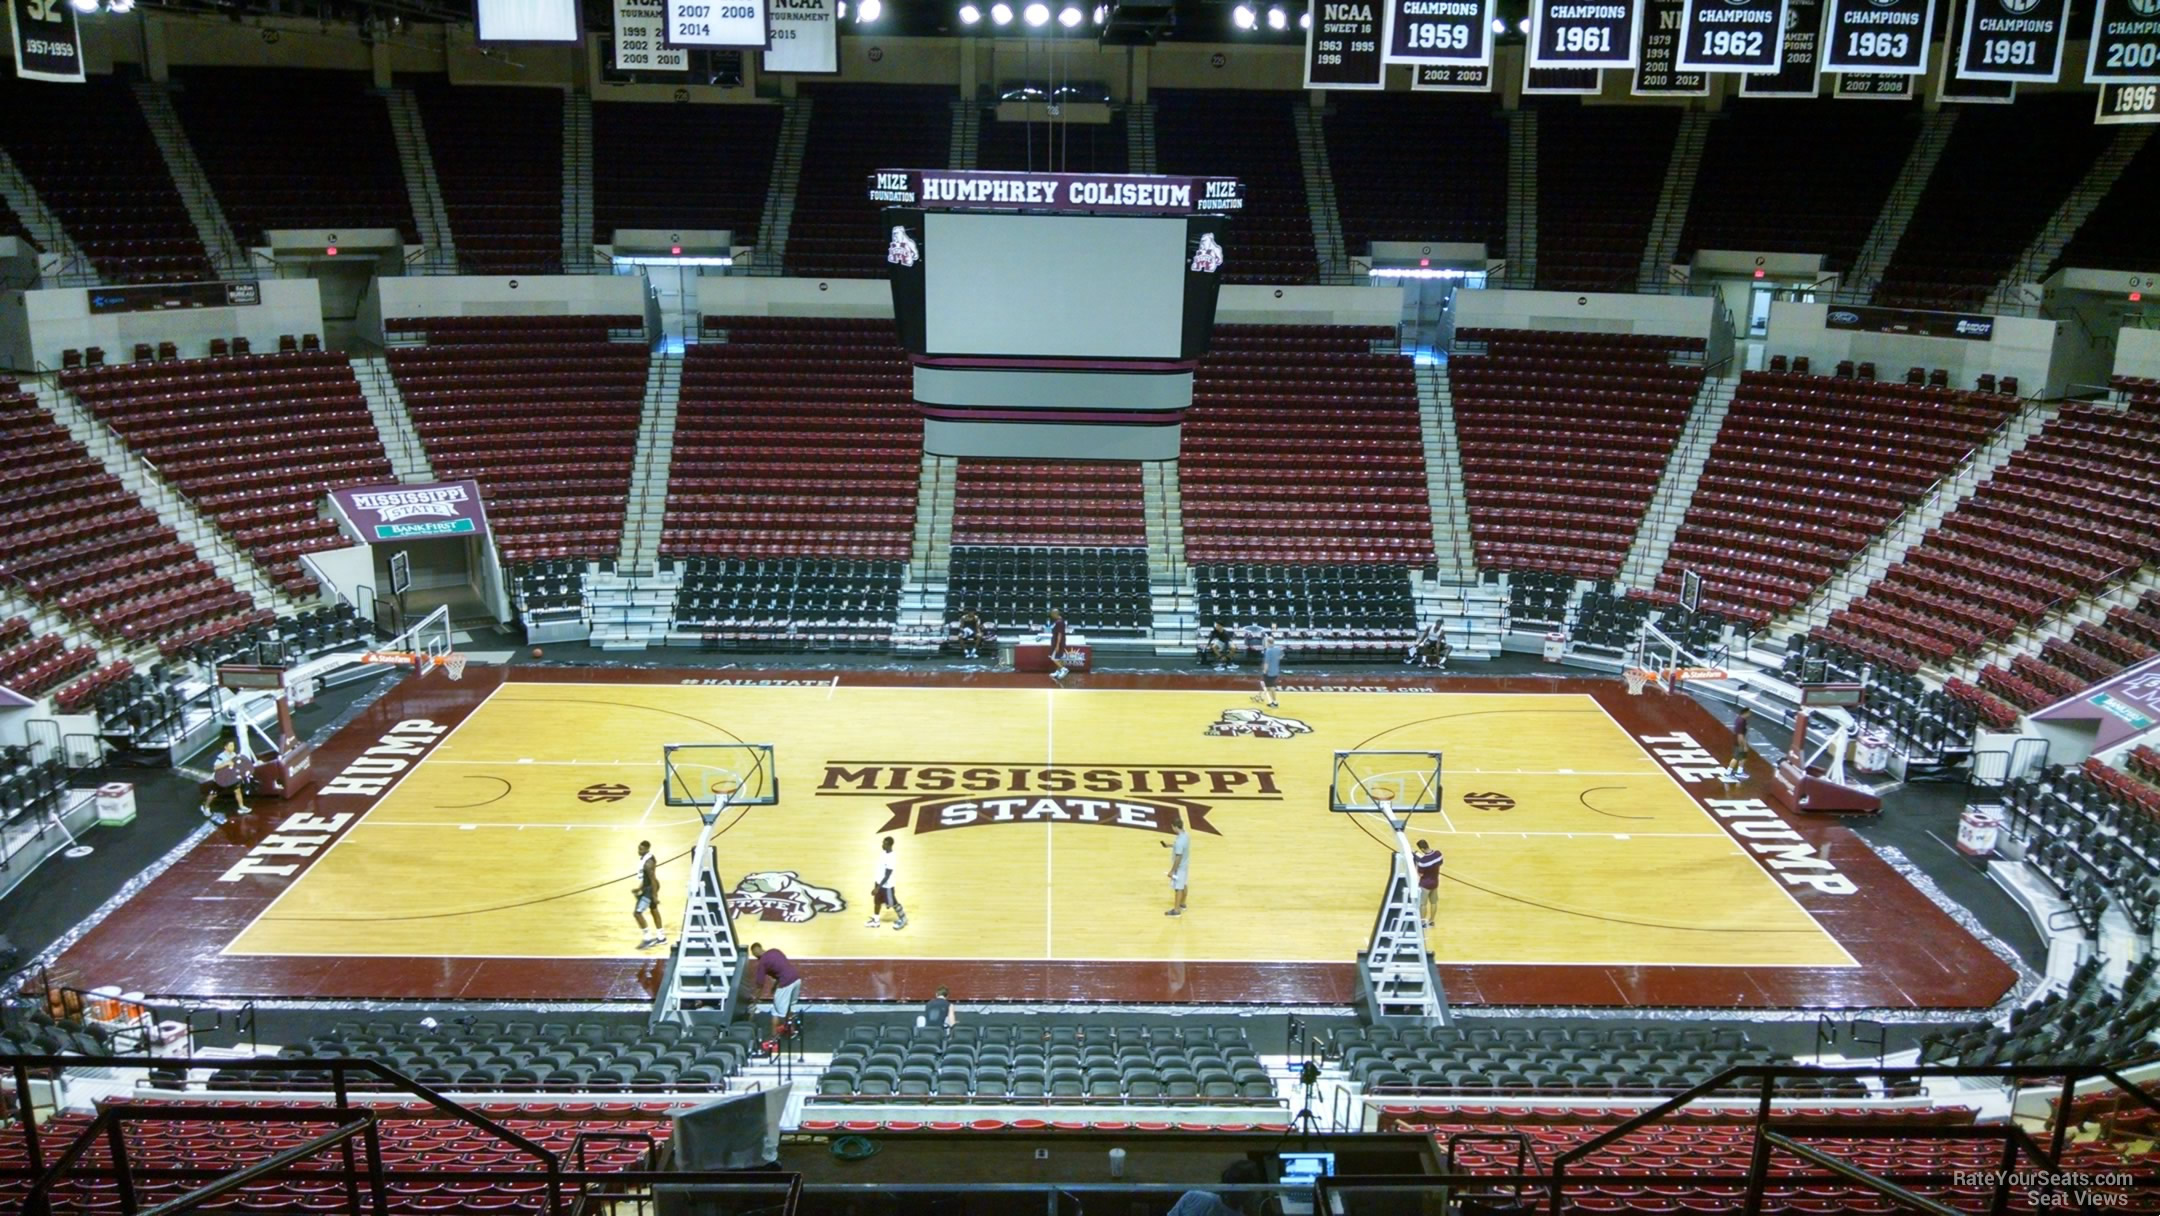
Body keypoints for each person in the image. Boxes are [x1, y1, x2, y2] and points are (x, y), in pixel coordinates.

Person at [748, 942, 802, 1041]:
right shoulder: (775, 951)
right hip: (797, 980)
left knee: (776, 1011)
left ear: (755, 954)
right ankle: (791, 1030)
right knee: (788, 1007)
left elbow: (760, 985)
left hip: (786, 983)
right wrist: (775, 985)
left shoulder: (762, 963)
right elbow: (781, 968)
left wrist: (755, 1000)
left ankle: (774, 1038)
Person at [866, 835, 908, 930]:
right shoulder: (883, 853)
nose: (882, 845)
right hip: (878, 883)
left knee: (893, 903)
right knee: (877, 902)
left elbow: (887, 875)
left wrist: (877, 888)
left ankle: (903, 918)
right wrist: (877, 884)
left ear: (889, 845)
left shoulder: (891, 858)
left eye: (884, 844)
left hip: (887, 886)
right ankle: (876, 921)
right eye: (883, 843)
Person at [633, 840, 665, 948]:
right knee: (654, 910)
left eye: (641, 849)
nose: (639, 851)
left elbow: (652, 879)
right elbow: (647, 878)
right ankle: (661, 937)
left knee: (637, 913)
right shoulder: (647, 858)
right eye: (639, 848)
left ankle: (648, 938)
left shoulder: (648, 863)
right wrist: (639, 888)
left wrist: (654, 895)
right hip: (648, 887)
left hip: (650, 889)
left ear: (647, 849)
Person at [1162, 811, 1191, 917]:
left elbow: (1178, 857)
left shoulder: (1179, 842)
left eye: (1172, 827)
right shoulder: (1185, 835)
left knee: (1178, 888)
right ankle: (1182, 903)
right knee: (1184, 884)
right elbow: (1180, 846)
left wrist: (1172, 871)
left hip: (1179, 867)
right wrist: (1169, 845)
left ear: (1175, 827)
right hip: (1185, 865)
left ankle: (1176, 910)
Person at [1413, 839, 1445, 929]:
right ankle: (1432, 921)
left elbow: (1420, 874)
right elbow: (1440, 863)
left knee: (1423, 904)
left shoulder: (1422, 862)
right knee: (1433, 902)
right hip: (1435, 882)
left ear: (1422, 849)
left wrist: (1418, 861)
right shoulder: (1438, 854)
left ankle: (1423, 921)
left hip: (1425, 885)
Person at [1252, 632, 1284, 709]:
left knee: (1271, 687)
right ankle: (1265, 698)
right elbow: (1282, 656)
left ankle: (1274, 702)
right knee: (1269, 686)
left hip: (1269, 672)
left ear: (1267, 642)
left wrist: (1264, 671)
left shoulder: (1268, 651)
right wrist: (1276, 659)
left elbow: (1266, 663)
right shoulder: (1278, 649)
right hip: (1276, 671)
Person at [1728, 705, 1752, 781]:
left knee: (1743, 757)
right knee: (1736, 757)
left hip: (1741, 740)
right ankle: (1728, 773)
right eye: (1749, 713)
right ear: (1745, 713)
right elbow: (1740, 735)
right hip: (1739, 742)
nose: (1750, 714)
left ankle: (1739, 771)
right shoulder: (1740, 721)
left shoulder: (1742, 720)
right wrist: (1743, 745)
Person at [1047, 609, 1072, 681]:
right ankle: (1058, 672)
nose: (1051, 615)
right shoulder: (1057, 621)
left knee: (1053, 658)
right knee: (1059, 658)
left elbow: (1059, 634)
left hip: (1058, 643)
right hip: (1055, 641)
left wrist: (1057, 645)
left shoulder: (1059, 622)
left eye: (1052, 614)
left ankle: (1064, 669)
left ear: (1055, 614)